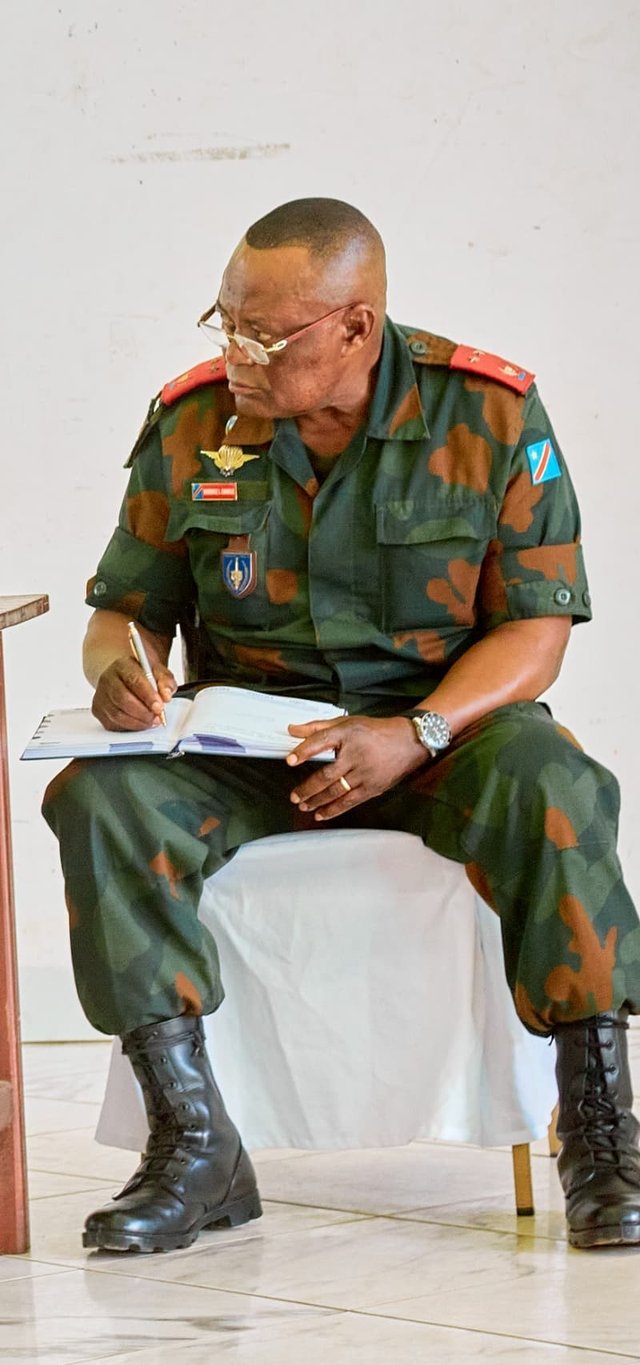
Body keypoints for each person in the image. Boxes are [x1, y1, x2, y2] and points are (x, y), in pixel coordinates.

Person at [43, 197, 640, 1255]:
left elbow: (534, 635)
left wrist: (414, 731)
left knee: (550, 782)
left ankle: (600, 1132)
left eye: (260, 334)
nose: (233, 352)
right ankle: (191, 1145)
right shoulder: (190, 425)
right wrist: (118, 671)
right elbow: (123, 609)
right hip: (249, 749)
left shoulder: (488, 415)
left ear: (355, 327)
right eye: (220, 322)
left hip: (436, 734)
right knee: (97, 796)